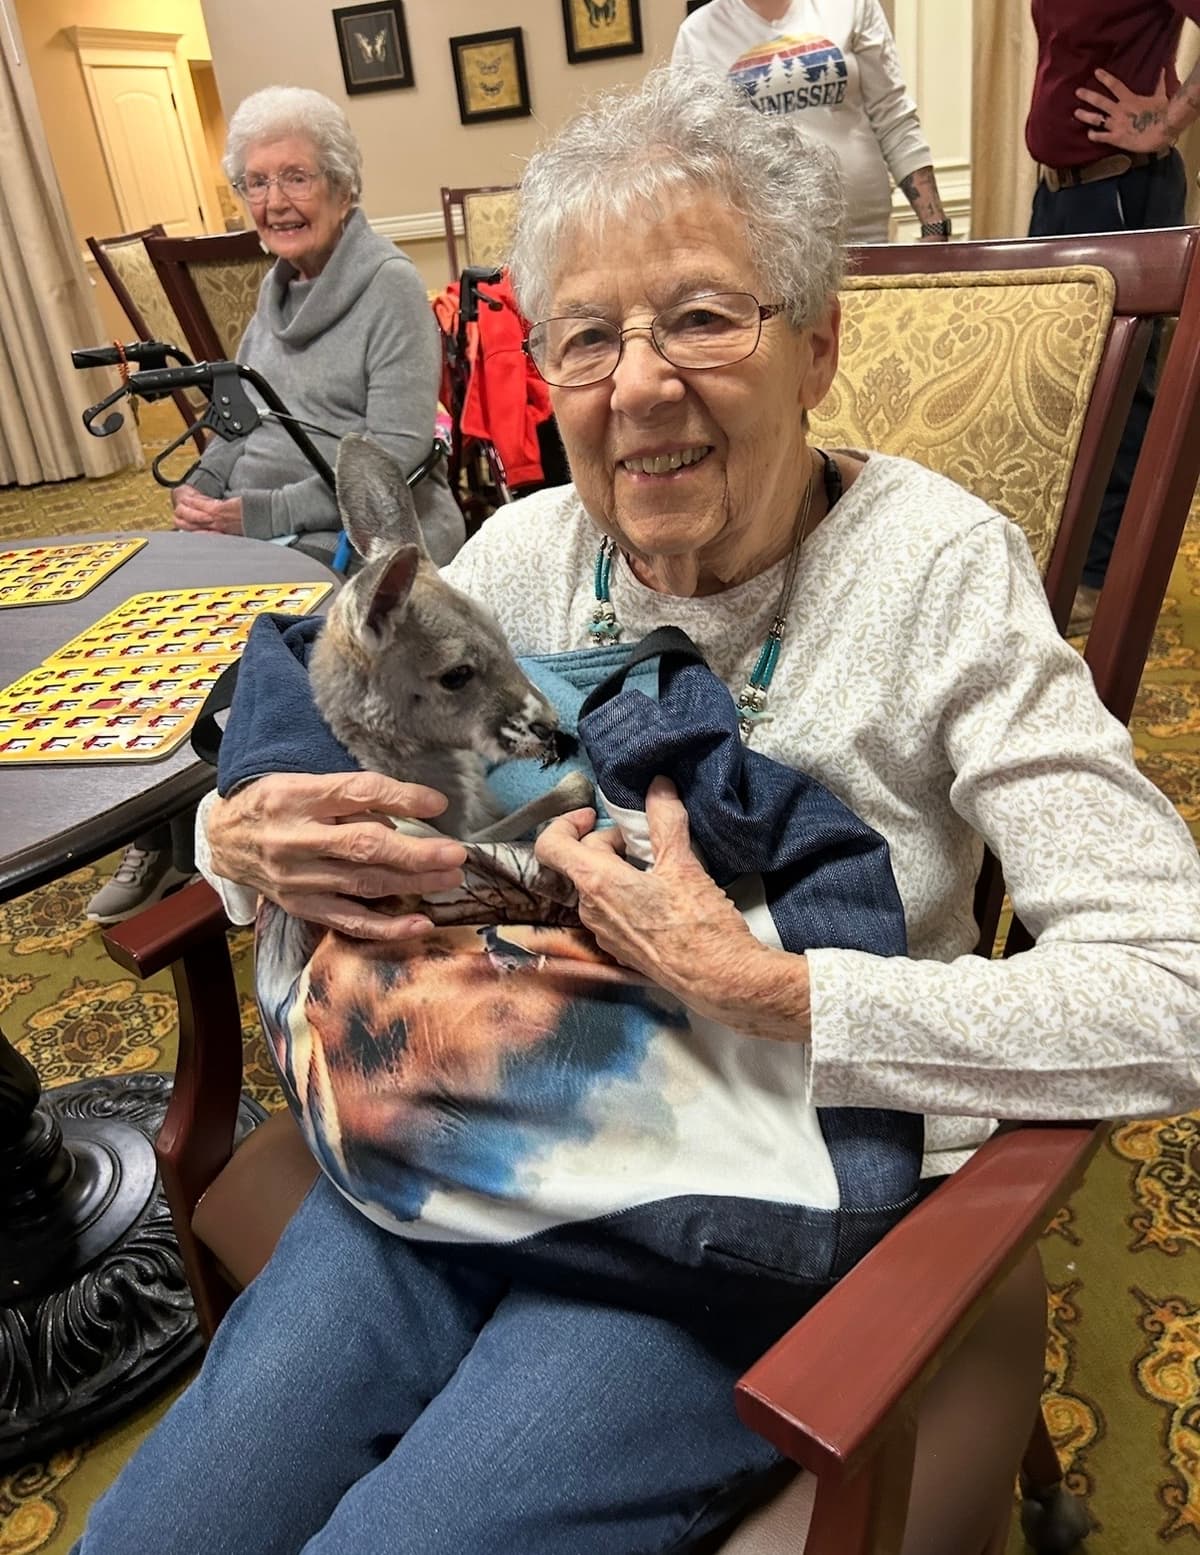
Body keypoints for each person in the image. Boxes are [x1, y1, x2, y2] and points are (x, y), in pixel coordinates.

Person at [73, 66, 1200, 1555]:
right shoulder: (526, 551)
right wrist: (236, 841)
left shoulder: (940, 573)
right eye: (589, 338)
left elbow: (1175, 985)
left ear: (816, 344)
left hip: (733, 1196)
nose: (642, 383)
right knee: (162, 1528)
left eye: (704, 317)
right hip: (466, 1126)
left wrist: (772, 989)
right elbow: (346, 734)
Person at [85, 84, 465, 926]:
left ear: (342, 186)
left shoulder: (390, 287)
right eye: (255, 183)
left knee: (243, 635)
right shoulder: (276, 291)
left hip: (361, 526)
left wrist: (251, 517)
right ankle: (167, 827)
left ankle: (234, 817)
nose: (273, 202)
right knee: (156, 603)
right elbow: (240, 418)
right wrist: (208, 487)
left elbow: (393, 456)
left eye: (294, 177)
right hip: (265, 512)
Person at [1025, 0, 1200, 635]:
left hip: (1121, 187)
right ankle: (1067, 557)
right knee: (1060, 385)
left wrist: (1170, 119)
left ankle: (1101, 580)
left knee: (1124, 392)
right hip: (1061, 196)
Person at [671, 0, 950, 244]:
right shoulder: (697, 34)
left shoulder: (852, 5)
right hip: (766, 248)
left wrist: (933, 222)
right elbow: (694, 155)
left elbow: (893, 116)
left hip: (864, 232)